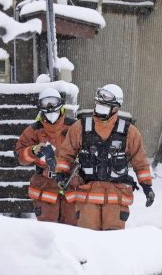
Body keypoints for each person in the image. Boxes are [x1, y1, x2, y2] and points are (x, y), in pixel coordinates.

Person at [55, 84, 154, 231]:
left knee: (113, 239)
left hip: (116, 195)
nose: (99, 107)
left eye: (105, 105)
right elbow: (65, 153)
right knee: (87, 237)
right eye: (98, 104)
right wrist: (61, 174)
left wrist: (147, 186)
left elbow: (140, 162)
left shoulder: (129, 132)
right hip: (87, 193)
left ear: (115, 108)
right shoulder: (80, 127)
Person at [14, 87, 76, 224]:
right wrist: (32, 151)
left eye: (53, 102)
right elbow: (20, 156)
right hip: (45, 187)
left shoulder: (74, 127)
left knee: (73, 231)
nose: (50, 108)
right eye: (46, 103)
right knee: (48, 231)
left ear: (61, 104)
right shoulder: (34, 129)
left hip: (71, 185)